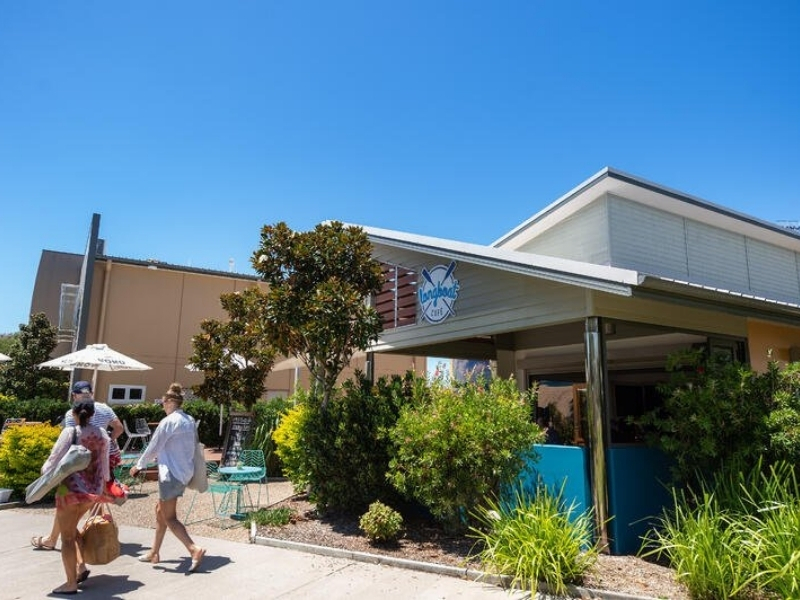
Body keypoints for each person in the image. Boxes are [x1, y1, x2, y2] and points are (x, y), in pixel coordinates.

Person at [31, 380, 124, 552]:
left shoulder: (71, 415)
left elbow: (69, 443)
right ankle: (94, 541)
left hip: (75, 472)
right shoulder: (104, 409)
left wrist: (47, 472)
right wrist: (109, 442)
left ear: (74, 396)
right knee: (92, 505)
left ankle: (59, 543)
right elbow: (118, 428)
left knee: (67, 513)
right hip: (98, 467)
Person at [130, 382, 206, 572]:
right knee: (159, 511)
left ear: (171, 402)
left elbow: (154, 446)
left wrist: (139, 465)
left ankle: (193, 549)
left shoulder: (169, 421)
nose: (162, 405)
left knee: (169, 517)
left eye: (163, 402)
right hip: (183, 472)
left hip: (170, 473)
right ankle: (154, 552)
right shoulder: (189, 419)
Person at [41, 398, 110, 595]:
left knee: (68, 537)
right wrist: (103, 485)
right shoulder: (102, 434)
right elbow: (105, 467)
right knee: (71, 529)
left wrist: (43, 476)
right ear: (93, 414)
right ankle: (80, 567)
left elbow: (53, 460)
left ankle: (71, 583)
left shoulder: (70, 432)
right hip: (92, 493)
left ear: (74, 414)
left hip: (69, 490)